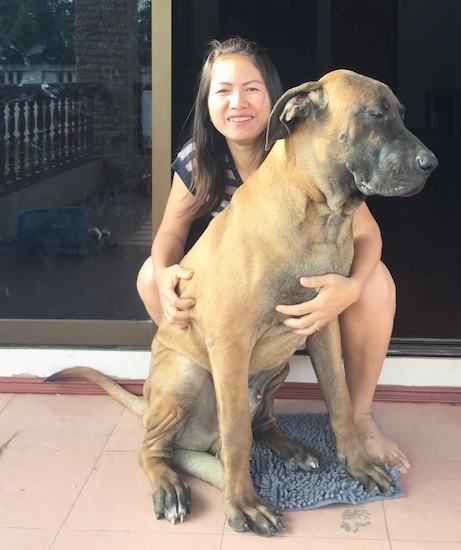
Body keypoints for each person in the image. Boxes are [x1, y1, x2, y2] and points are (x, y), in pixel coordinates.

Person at [137, 37, 410, 473]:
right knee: (151, 274)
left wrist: (350, 289)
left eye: (251, 89)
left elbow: (369, 236)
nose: (237, 102)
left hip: (292, 302)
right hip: (236, 306)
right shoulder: (200, 159)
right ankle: (198, 388)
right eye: (222, 90)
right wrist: (167, 269)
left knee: (376, 282)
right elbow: (170, 230)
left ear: (279, 100)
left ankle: (357, 418)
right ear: (207, 102)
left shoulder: (304, 146)